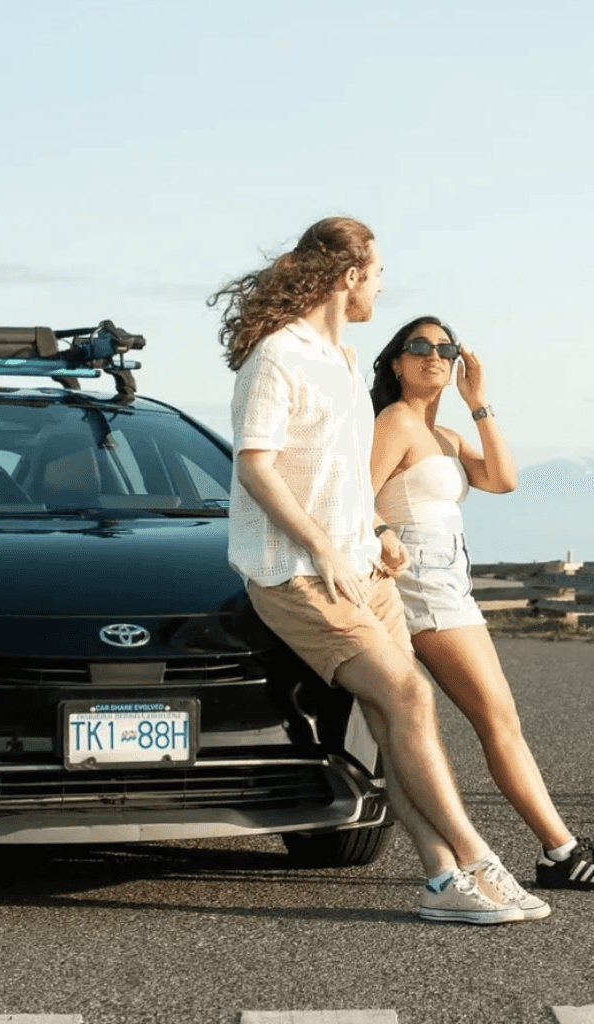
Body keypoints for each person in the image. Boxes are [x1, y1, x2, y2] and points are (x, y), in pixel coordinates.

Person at [210, 217, 548, 923]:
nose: (382, 286)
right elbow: (256, 467)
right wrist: (324, 547)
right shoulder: (278, 356)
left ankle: (441, 880)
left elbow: (343, 481)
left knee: (397, 712)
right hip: (298, 574)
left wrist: (372, 534)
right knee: (412, 698)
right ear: (350, 273)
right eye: (380, 273)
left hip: (365, 567)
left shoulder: (338, 355)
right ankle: (479, 858)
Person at [368, 315, 594, 890]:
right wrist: (380, 533)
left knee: (481, 721)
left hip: (449, 585)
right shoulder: (395, 422)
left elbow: (503, 479)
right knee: (497, 721)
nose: (434, 356)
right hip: (422, 588)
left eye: (446, 348)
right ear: (396, 361)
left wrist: (479, 401)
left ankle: (542, 850)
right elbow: (353, 501)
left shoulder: (442, 434)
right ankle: (559, 852)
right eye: (419, 347)